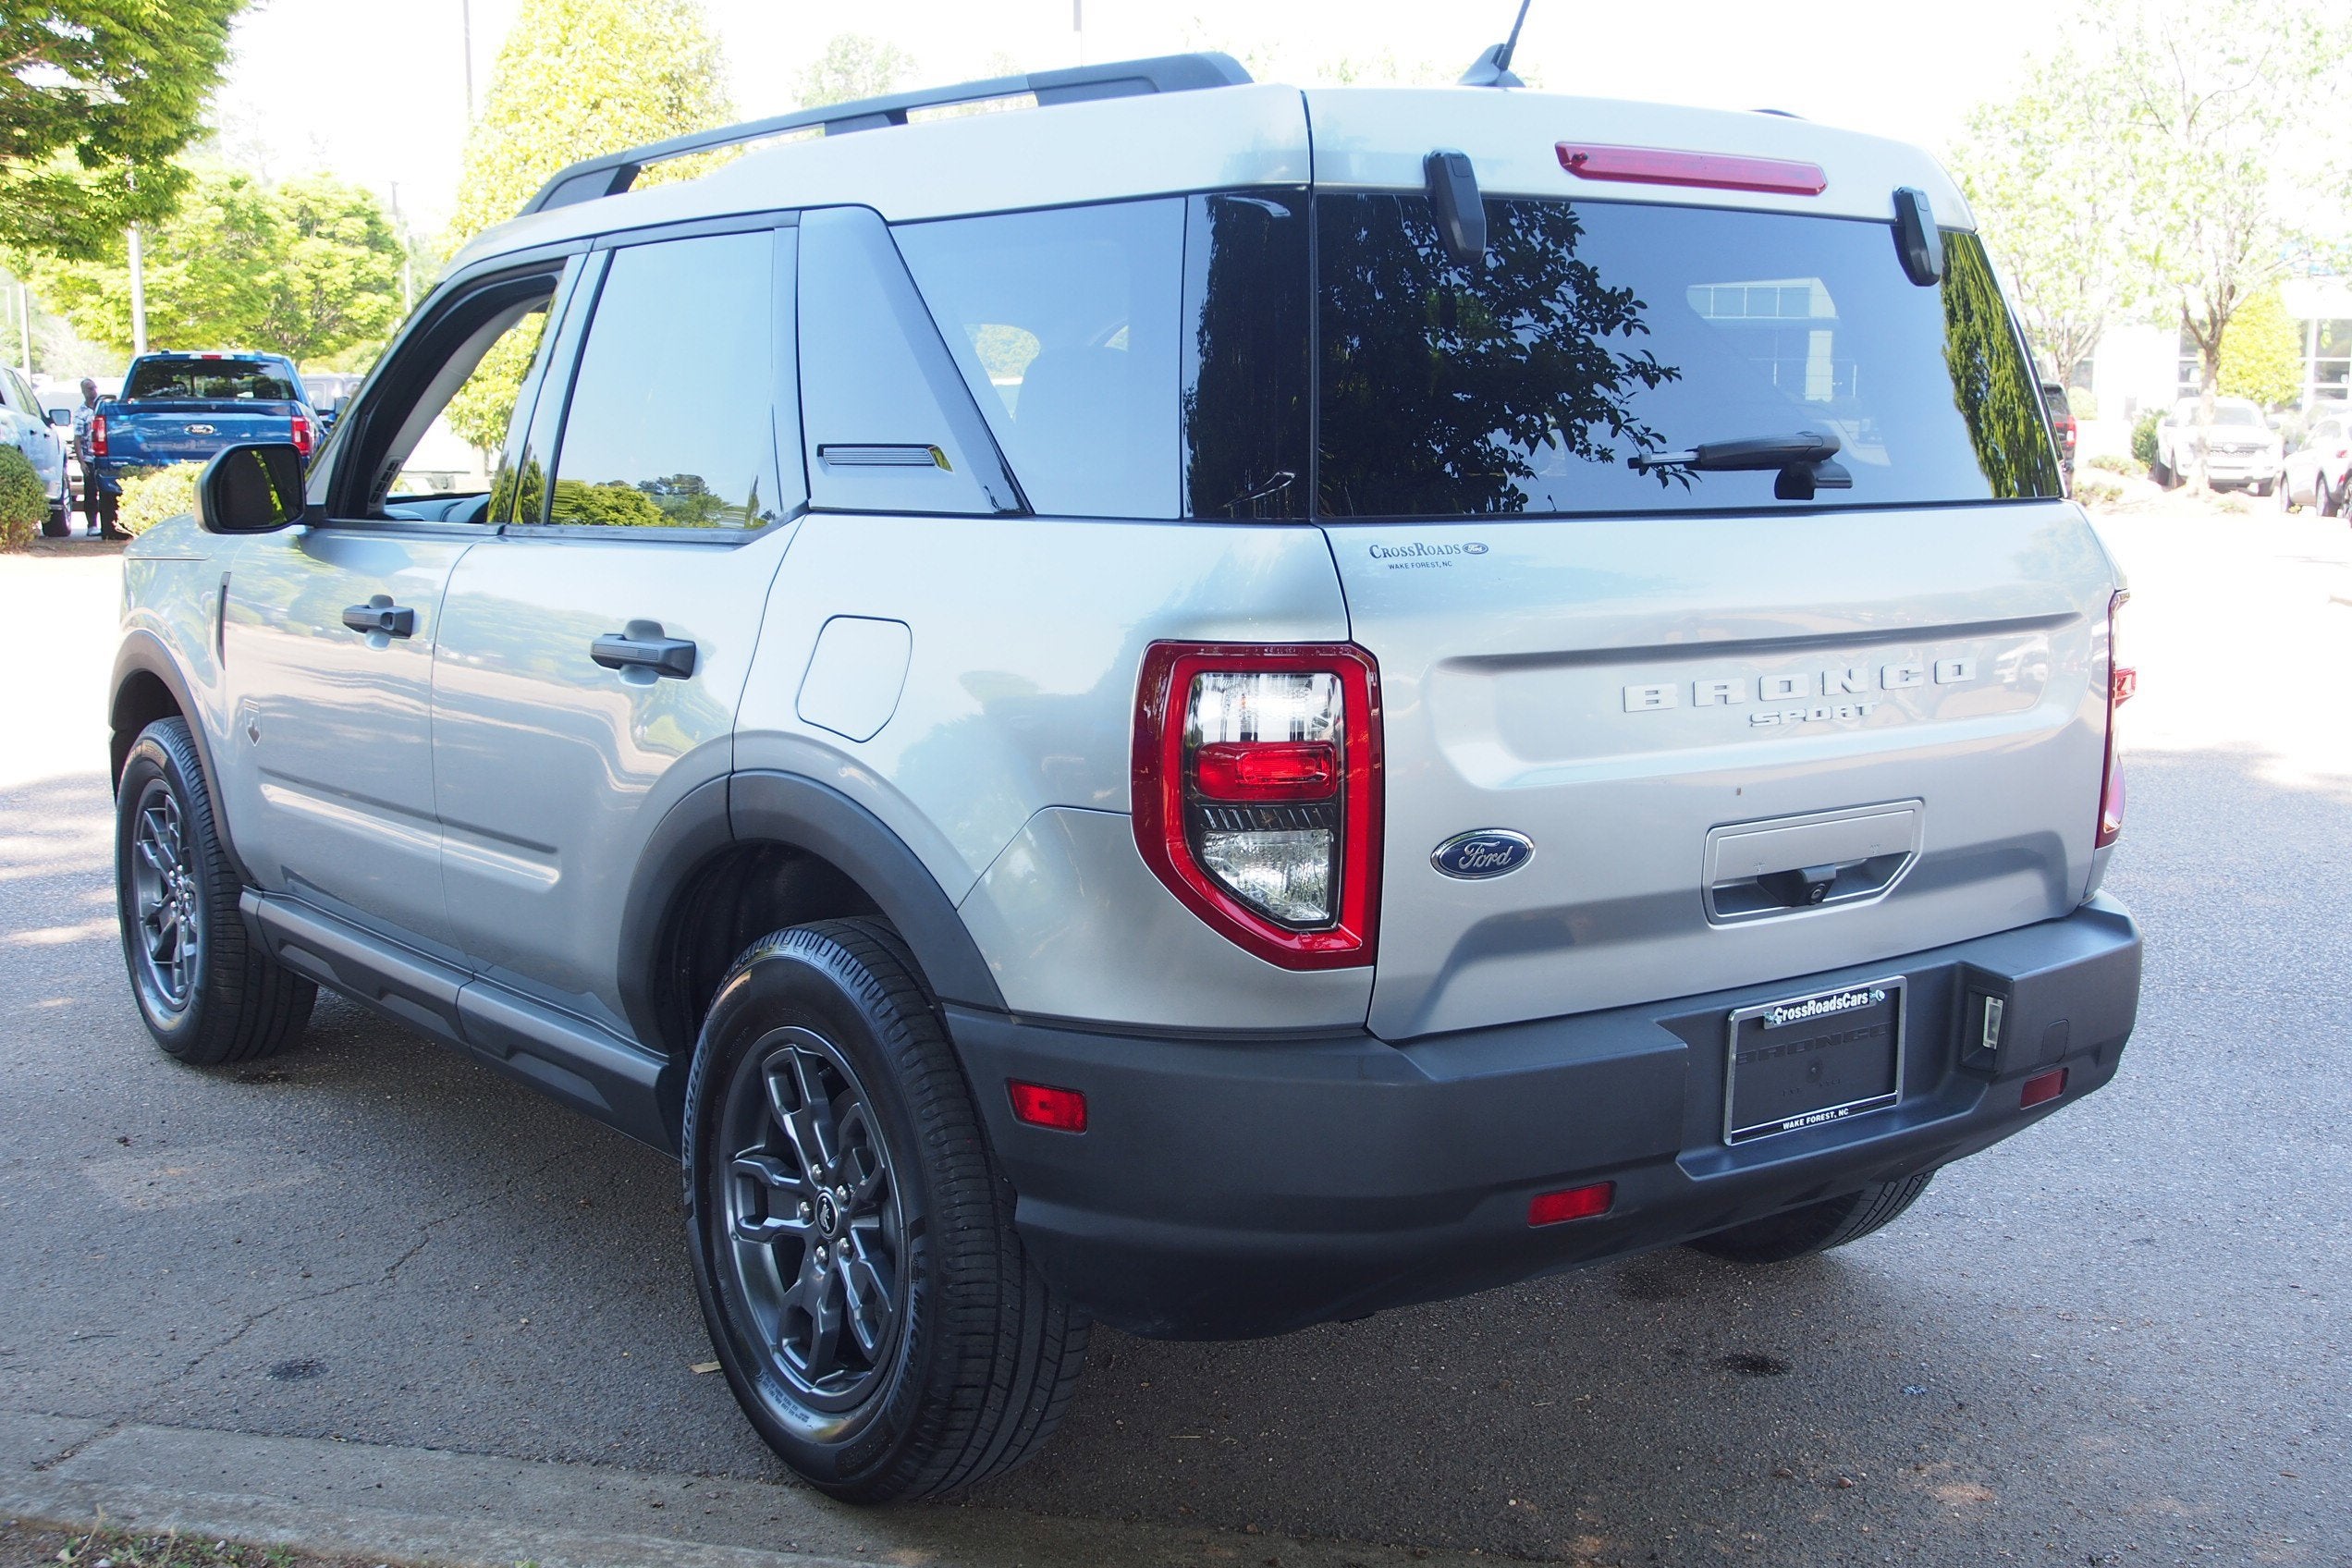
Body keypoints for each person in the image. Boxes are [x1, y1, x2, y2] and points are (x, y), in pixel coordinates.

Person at [72, 378, 130, 541]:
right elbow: (77, 439)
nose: (93, 391)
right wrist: (82, 462)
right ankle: (91, 525)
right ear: (83, 391)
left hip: (104, 458)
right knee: (90, 492)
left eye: (94, 387)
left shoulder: (103, 408)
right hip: (89, 458)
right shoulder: (81, 413)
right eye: (89, 388)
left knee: (108, 492)